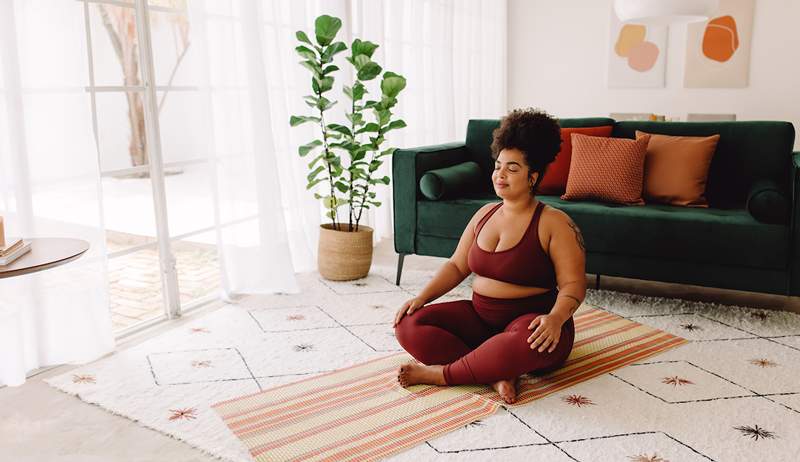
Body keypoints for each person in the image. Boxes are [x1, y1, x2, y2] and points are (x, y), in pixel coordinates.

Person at [393, 108, 587, 404]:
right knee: (408, 324)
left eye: (512, 168)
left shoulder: (555, 223)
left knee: (525, 344)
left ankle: (441, 375)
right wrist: (422, 297)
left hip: (533, 323)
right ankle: (494, 372)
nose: (500, 175)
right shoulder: (484, 214)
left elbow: (574, 285)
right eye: (498, 166)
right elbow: (457, 265)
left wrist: (555, 319)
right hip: (481, 319)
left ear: (532, 176)